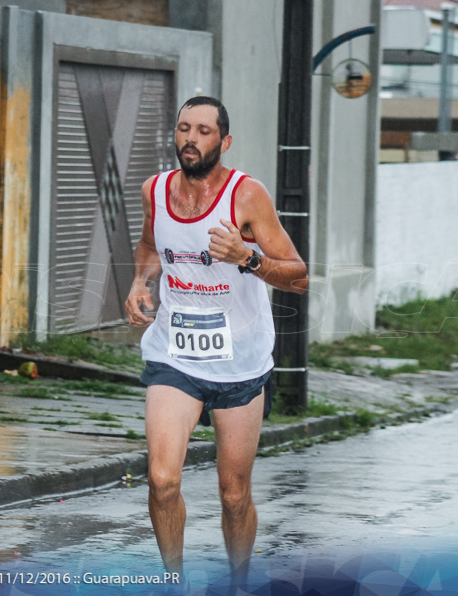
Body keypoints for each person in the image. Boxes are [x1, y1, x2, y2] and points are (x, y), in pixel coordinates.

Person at [124, 96, 308, 578]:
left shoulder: (247, 196)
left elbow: (299, 275)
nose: (191, 138)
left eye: (204, 130)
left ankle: (240, 581)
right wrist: (140, 283)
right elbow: (149, 245)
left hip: (240, 363)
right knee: (162, 480)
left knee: (233, 494)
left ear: (223, 142)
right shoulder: (154, 190)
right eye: (184, 128)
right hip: (174, 356)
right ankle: (174, 582)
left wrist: (247, 256)